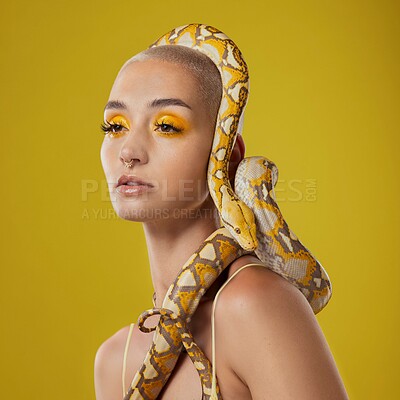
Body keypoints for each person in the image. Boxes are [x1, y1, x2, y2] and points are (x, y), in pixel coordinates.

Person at [94, 35, 348, 400]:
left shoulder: (256, 303)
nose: (129, 152)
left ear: (227, 158)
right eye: (115, 125)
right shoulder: (113, 359)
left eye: (166, 125)